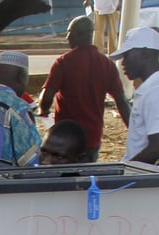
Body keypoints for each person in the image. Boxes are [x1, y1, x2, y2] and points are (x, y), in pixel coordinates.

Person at [39, 15, 130, 162]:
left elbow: (47, 96)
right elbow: (122, 102)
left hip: (66, 140)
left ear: (78, 34)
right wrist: (134, 132)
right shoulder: (107, 64)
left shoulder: (63, 62)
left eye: (69, 33)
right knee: (87, 178)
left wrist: (43, 110)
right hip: (92, 137)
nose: (67, 37)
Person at [111, 27, 159, 165]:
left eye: (127, 56)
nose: (123, 63)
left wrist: (124, 170)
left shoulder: (157, 91)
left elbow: (155, 150)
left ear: (144, 53)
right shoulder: (152, 88)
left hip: (144, 172)